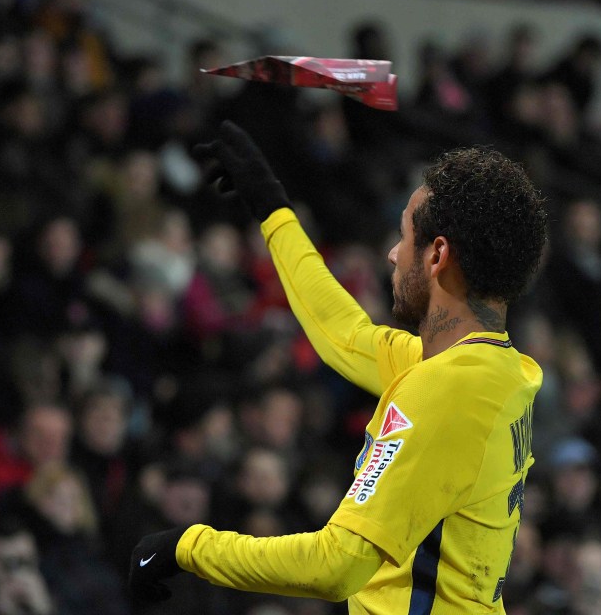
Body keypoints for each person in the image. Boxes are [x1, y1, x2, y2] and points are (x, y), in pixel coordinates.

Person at [128, 121, 548, 613]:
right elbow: (344, 336)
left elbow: (336, 564)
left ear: (437, 255)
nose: (393, 254)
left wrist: (187, 547)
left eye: (404, 236)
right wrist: (273, 210)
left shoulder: (445, 389)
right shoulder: (495, 370)